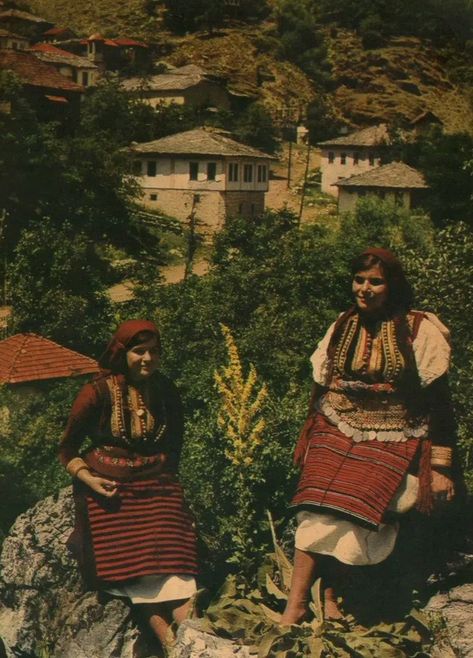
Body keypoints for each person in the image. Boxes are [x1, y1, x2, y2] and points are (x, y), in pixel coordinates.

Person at [281, 248, 456, 624]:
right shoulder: (343, 325)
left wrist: (440, 466)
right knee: (314, 500)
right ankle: (296, 605)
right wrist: (310, 436)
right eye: (359, 280)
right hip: (337, 425)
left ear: (392, 285)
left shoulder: (419, 329)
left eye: (375, 281)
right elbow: (322, 387)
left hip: (393, 432)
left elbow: (440, 403)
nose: (365, 289)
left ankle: (331, 593)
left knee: (358, 505)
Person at [59, 319, 198, 650]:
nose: (147, 359)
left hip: (155, 481)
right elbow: (66, 449)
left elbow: (174, 445)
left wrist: (168, 485)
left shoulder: (165, 390)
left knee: (177, 560)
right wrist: (87, 478)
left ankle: (194, 635)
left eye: (154, 352)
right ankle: (170, 642)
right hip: (109, 486)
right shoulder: (96, 393)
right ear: (122, 354)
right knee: (135, 567)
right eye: (139, 352)